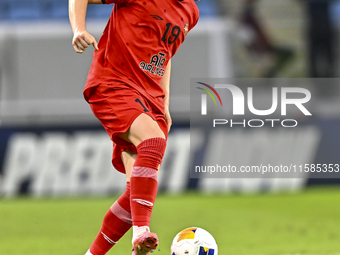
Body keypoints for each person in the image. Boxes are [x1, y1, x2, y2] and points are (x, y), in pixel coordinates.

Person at [68, 0, 199, 254]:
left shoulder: (190, 12)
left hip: (150, 94)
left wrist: (165, 101)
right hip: (113, 82)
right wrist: (78, 28)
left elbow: (165, 51)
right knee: (153, 142)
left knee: (135, 193)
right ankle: (140, 233)